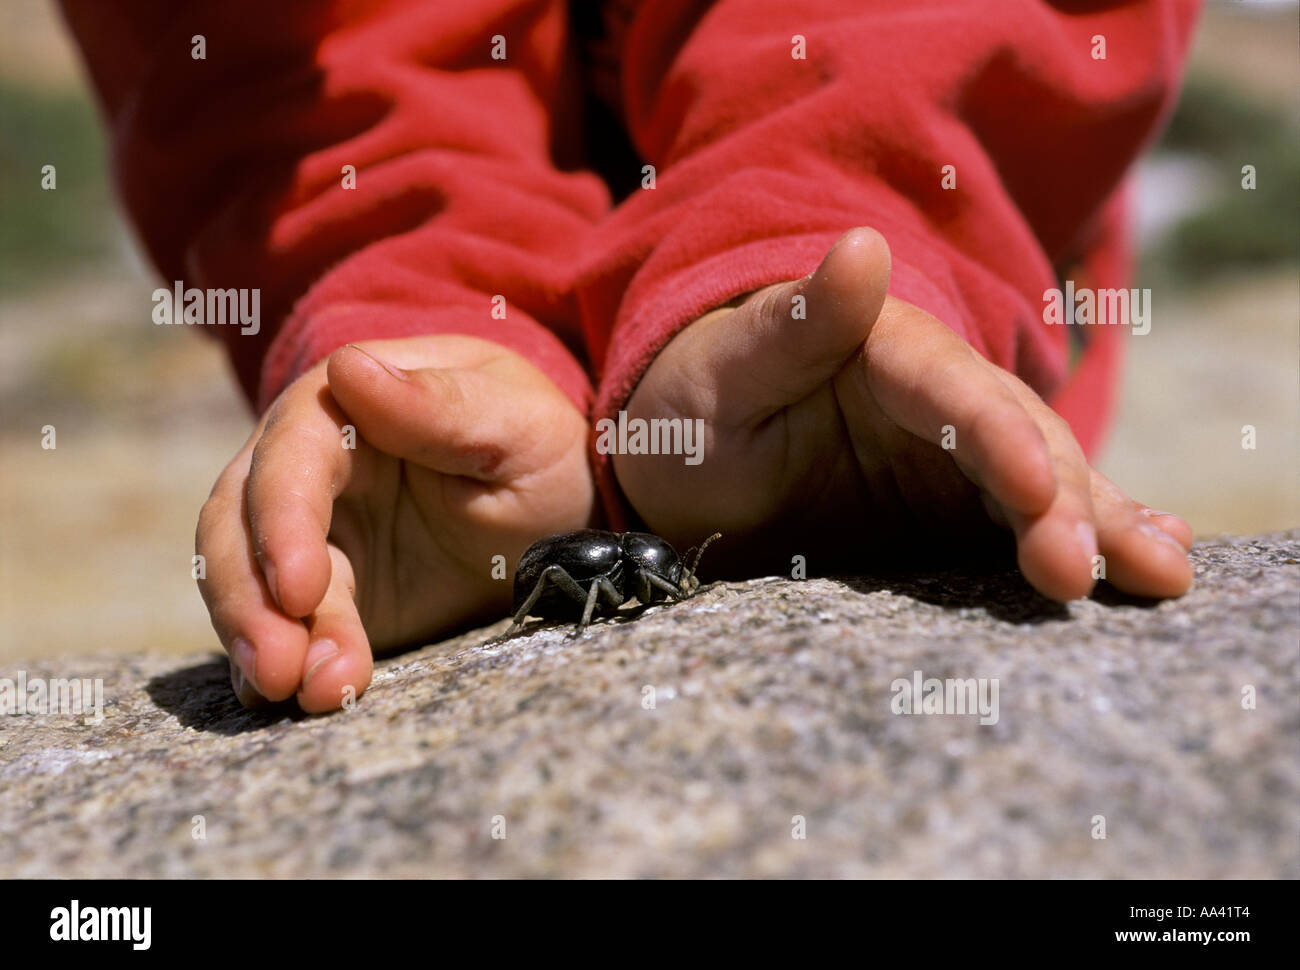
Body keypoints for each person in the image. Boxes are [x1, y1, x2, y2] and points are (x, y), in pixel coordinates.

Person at [61, 0, 1201, 712]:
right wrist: (426, 327)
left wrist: (818, 241)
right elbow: (274, 50)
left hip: (880, 376)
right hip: (625, 438)